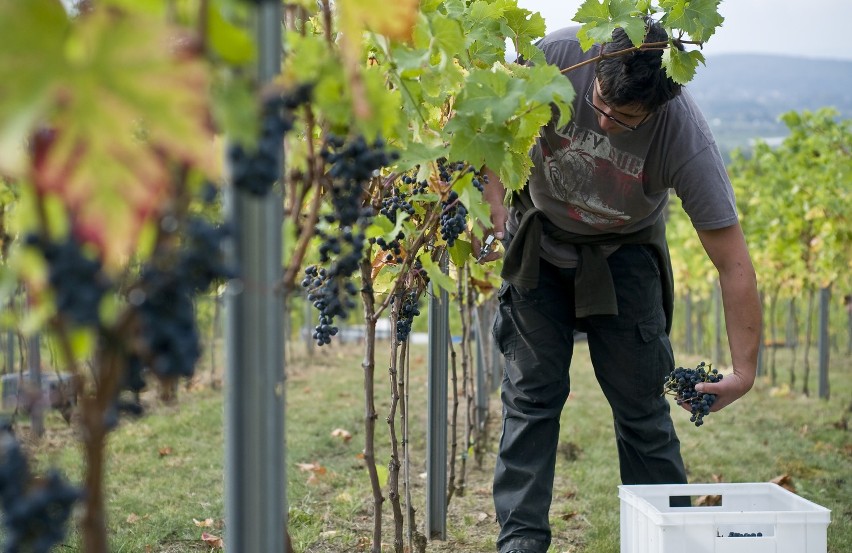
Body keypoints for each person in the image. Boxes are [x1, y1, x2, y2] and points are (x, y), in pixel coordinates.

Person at [477, 19, 762, 553]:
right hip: (538, 241)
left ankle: (669, 540)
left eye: (625, 120)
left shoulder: (684, 135)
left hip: (625, 255)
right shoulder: (558, 56)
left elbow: (734, 263)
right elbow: (490, 125)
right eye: (602, 104)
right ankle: (520, 542)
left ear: (657, 108)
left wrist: (744, 371)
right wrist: (494, 210)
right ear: (595, 70)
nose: (606, 122)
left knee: (643, 407)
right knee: (530, 399)